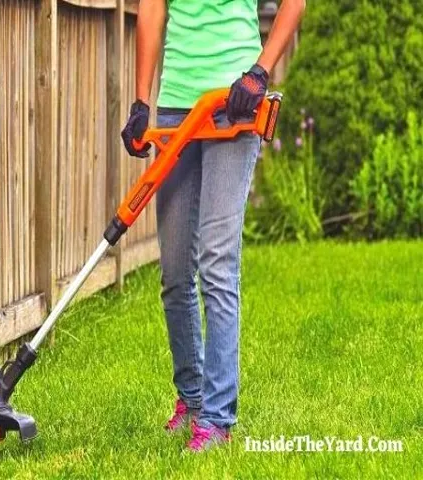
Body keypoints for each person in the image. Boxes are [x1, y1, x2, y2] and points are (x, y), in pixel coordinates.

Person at [121, 0, 305, 451]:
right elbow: (151, 9)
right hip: (176, 110)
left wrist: (259, 73)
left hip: (234, 105)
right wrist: (142, 100)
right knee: (176, 272)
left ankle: (218, 420)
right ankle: (192, 399)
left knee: (218, 263)